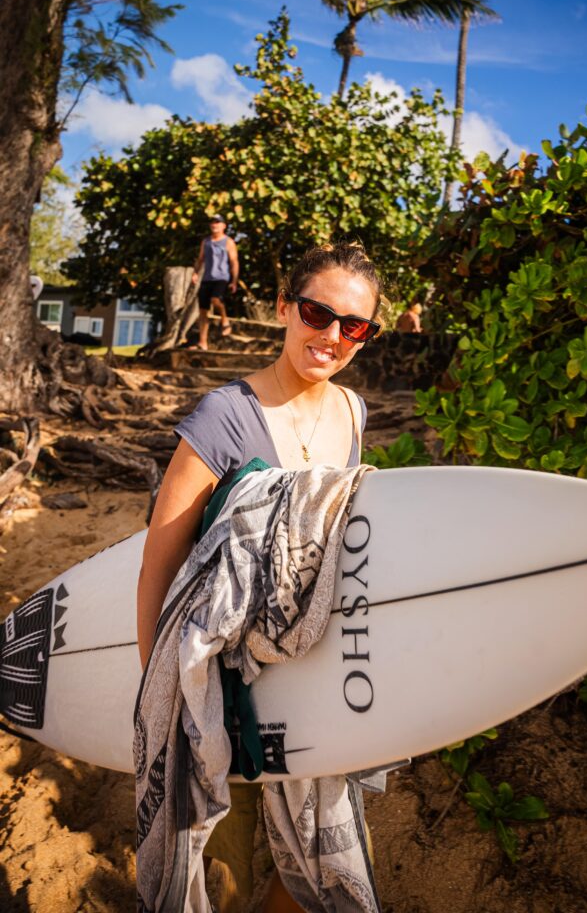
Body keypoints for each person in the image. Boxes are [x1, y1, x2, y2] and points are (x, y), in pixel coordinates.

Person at [137, 241, 383, 912]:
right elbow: (161, 565)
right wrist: (165, 704)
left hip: (312, 682)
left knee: (312, 868)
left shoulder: (353, 412)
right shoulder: (224, 416)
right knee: (225, 869)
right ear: (283, 308)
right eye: (316, 313)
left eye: (354, 326)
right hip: (223, 693)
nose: (331, 336)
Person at [191, 214, 240, 350]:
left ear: (223, 226)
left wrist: (234, 280)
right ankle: (203, 342)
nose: (214, 225)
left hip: (221, 277)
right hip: (207, 278)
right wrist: (195, 273)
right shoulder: (206, 241)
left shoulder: (228, 242)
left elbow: (234, 262)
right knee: (203, 311)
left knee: (216, 299)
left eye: (217, 222)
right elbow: (200, 259)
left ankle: (225, 320)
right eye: (212, 222)